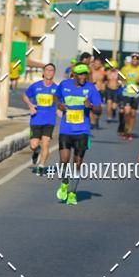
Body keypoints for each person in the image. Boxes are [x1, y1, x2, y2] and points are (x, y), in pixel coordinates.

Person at [54, 63, 102, 206]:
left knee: (77, 164)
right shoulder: (64, 85)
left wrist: (91, 106)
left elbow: (99, 110)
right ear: (74, 74)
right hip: (66, 130)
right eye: (80, 74)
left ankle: (72, 193)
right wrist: (59, 105)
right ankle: (64, 182)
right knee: (64, 160)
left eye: (85, 74)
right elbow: (56, 97)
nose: (83, 76)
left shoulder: (90, 88)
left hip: (82, 131)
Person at [23, 63, 57, 175]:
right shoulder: (36, 86)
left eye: (51, 70)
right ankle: (36, 151)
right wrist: (30, 106)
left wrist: (60, 110)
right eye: (47, 70)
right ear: (43, 72)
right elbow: (25, 95)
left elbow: (61, 102)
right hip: (36, 119)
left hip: (49, 120)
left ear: (54, 73)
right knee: (33, 145)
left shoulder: (56, 89)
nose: (49, 72)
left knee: (46, 144)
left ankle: (41, 165)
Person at [118, 52, 139, 140]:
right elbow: (120, 77)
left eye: (137, 59)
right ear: (131, 59)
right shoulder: (125, 68)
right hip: (126, 93)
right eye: (133, 58)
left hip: (135, 95)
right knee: (127, 112)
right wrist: (121, 82)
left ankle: (129, 132)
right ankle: (125, 129)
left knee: (133, 114)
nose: (135, 60)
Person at [90, 56, 106, 129]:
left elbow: (106, 80)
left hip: (99, 91)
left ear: (100, 65)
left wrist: (104, 86)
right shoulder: (90, 71)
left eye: (98, 64)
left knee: (99, 109)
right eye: (95, 63)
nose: (96, 65)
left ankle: (97, 120)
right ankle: (92, 122)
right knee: (91, 107)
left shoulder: (103, 72)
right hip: (91, 91)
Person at [104, 58, 121, 123]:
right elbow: (104, 79)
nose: (112, 68)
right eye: (111, 67)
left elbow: (122, 80)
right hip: (109, 90)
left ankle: (113, 111)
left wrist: (120, 84)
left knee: (114, 106)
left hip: (116, 90)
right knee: (109, 103)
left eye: (113, 67)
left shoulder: (118, 73)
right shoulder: (107, 72)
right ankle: (109, 117)